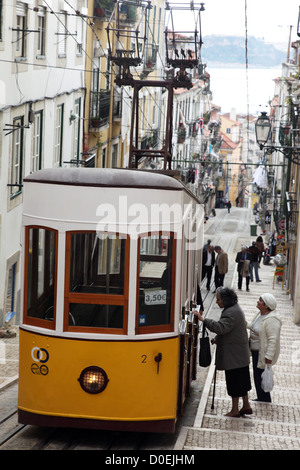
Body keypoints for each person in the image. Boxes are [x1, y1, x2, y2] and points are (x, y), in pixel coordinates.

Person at [194, 287, 252, 417]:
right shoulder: (234, 309)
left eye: (218, 299)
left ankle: (235, 410)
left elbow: (221, 327)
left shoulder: (231, 312)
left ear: (225, 300)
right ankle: (246, 406)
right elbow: (229, 330)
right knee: (242, 381)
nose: (216, 302)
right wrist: (218, 339)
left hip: (234, 355)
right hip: (239, 354)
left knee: (234, 382)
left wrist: (203, 320)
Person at [248, 293, 281, 402]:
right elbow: (254, 328)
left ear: (266, 305)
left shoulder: (272, 319)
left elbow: (273, 340)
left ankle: (265, 398)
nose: (258, 301)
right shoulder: (259, 314)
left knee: (261, 376)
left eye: (260, 300)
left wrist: (269, 357)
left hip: (262, 353)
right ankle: (261, 397)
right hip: (255, 351)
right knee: (257, 376)